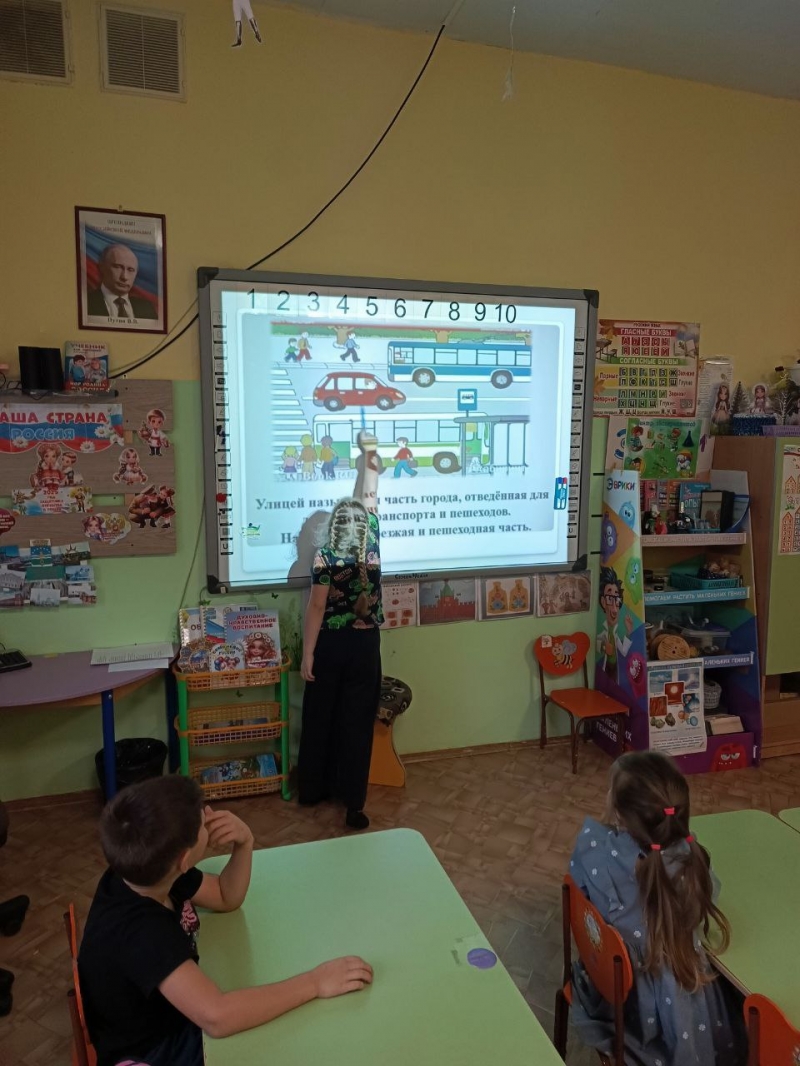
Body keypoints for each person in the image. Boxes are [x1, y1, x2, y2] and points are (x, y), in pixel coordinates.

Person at [78, 776, 372, 1066]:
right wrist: (315, 982)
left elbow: (225, 895)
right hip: (153, 1050)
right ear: (184, 859)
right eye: (202, 819)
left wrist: (244, 843)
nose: (209, 815)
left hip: (166, 1017)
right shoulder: (143, 933)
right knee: (291, 1038)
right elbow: (217, 1017)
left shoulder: (145, 872)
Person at [568, 751, 746, 1066]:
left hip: (619, 997)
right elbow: (710, 897)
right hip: (685, 1003)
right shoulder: (691, 860)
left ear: (620, 814)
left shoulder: (595, 853)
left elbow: (581, 896)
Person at [298, 431, 382, 831]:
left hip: (330, 646)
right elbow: (369, 495)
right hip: (365, 646)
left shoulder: (324, 556)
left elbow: (317, 607)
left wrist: (308, 654)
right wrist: (370, 454)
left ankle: (313, 790)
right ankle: (354, 804)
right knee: (356, 724)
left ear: (333, 527)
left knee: (321, 716)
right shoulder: (372, 547)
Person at [86, 244, 158, 320]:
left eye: (130, 270)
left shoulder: (147, 308)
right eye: (117, 267)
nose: (124, 277)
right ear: (102, 267)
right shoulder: (86, 302)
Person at [596, 565, 633, 686]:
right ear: (603, 602)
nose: (613, 604)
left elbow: (623, 651)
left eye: (616, 599)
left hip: (615, 674)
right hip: (604, 673)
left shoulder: (616, 633)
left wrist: (628, 632)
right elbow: (597, 645)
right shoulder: (602, 631)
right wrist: (603, 647)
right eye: (609, 598)